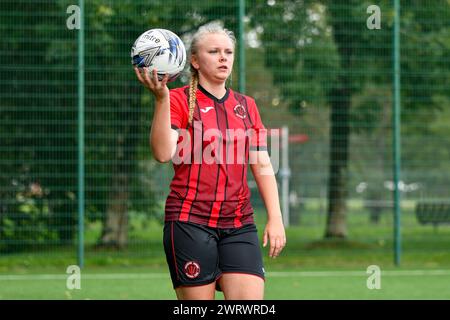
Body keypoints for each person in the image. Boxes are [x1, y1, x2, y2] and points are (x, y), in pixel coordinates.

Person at [134, 24, 286, 300]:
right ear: (194, 60)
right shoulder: (178, 99)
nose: (223, 57)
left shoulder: (247, 105)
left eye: (228, 52)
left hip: (239, 223)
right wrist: (160, 100)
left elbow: (262, 164)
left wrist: (275, 217)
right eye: (214, 51)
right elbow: (162, 153)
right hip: (189, 222)